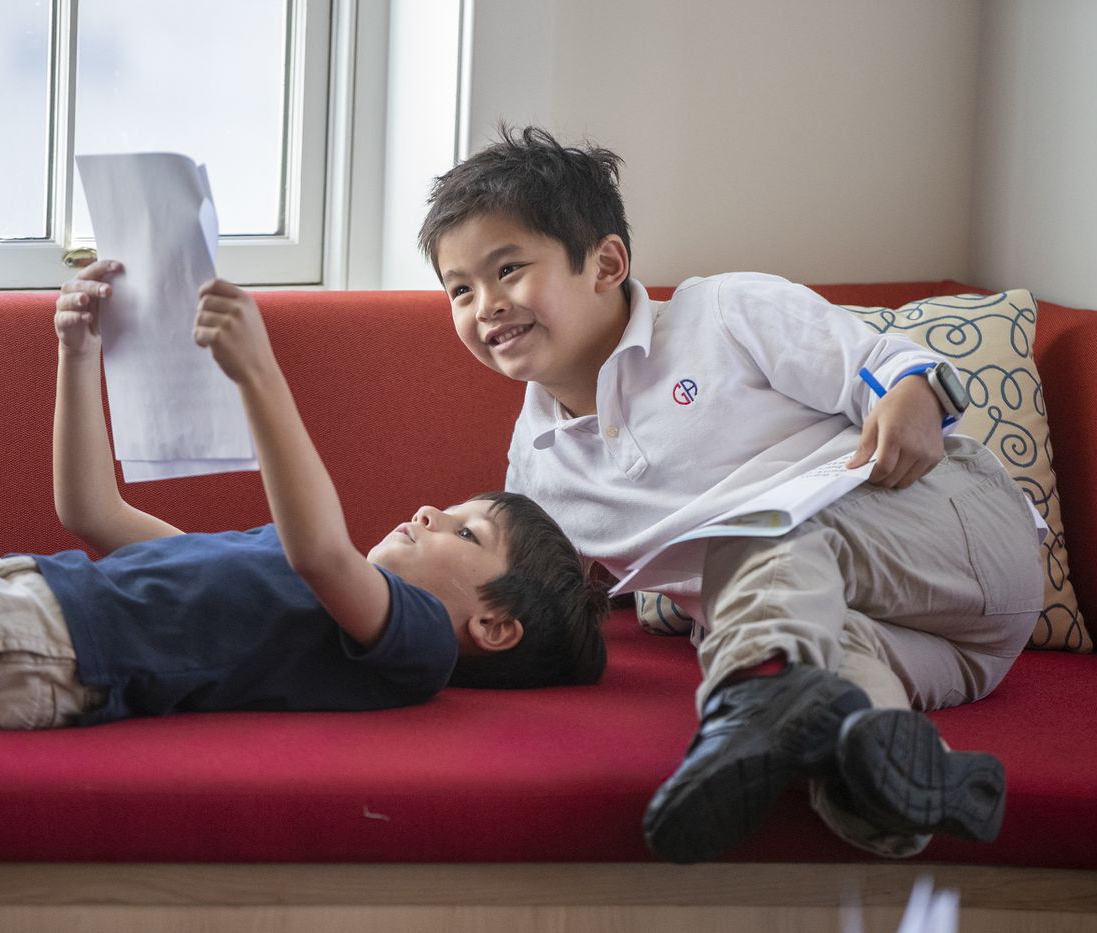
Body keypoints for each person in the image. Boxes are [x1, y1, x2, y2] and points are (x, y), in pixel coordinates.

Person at [418, 125, 1043, 862]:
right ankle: (904, 788)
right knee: (828, 709)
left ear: (607, 263)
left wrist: (911, 393)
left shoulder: (722, 314)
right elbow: (532, 598)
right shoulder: (538, 468)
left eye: (509, 269)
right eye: (460, 289)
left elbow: (885, 362)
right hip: (927, 648)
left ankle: (747, 700)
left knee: (755, 531)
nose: (484, 304)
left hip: (952, 533)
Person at [0, 260, 607, 729]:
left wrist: (260, 375)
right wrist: (77, 351)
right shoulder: (275, 566)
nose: (425, 512)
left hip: (40, 647)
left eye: (464, 531)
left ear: (492, 624)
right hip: (16, 590)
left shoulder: (416, 646)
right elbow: (89, 511)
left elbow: (322, 548)